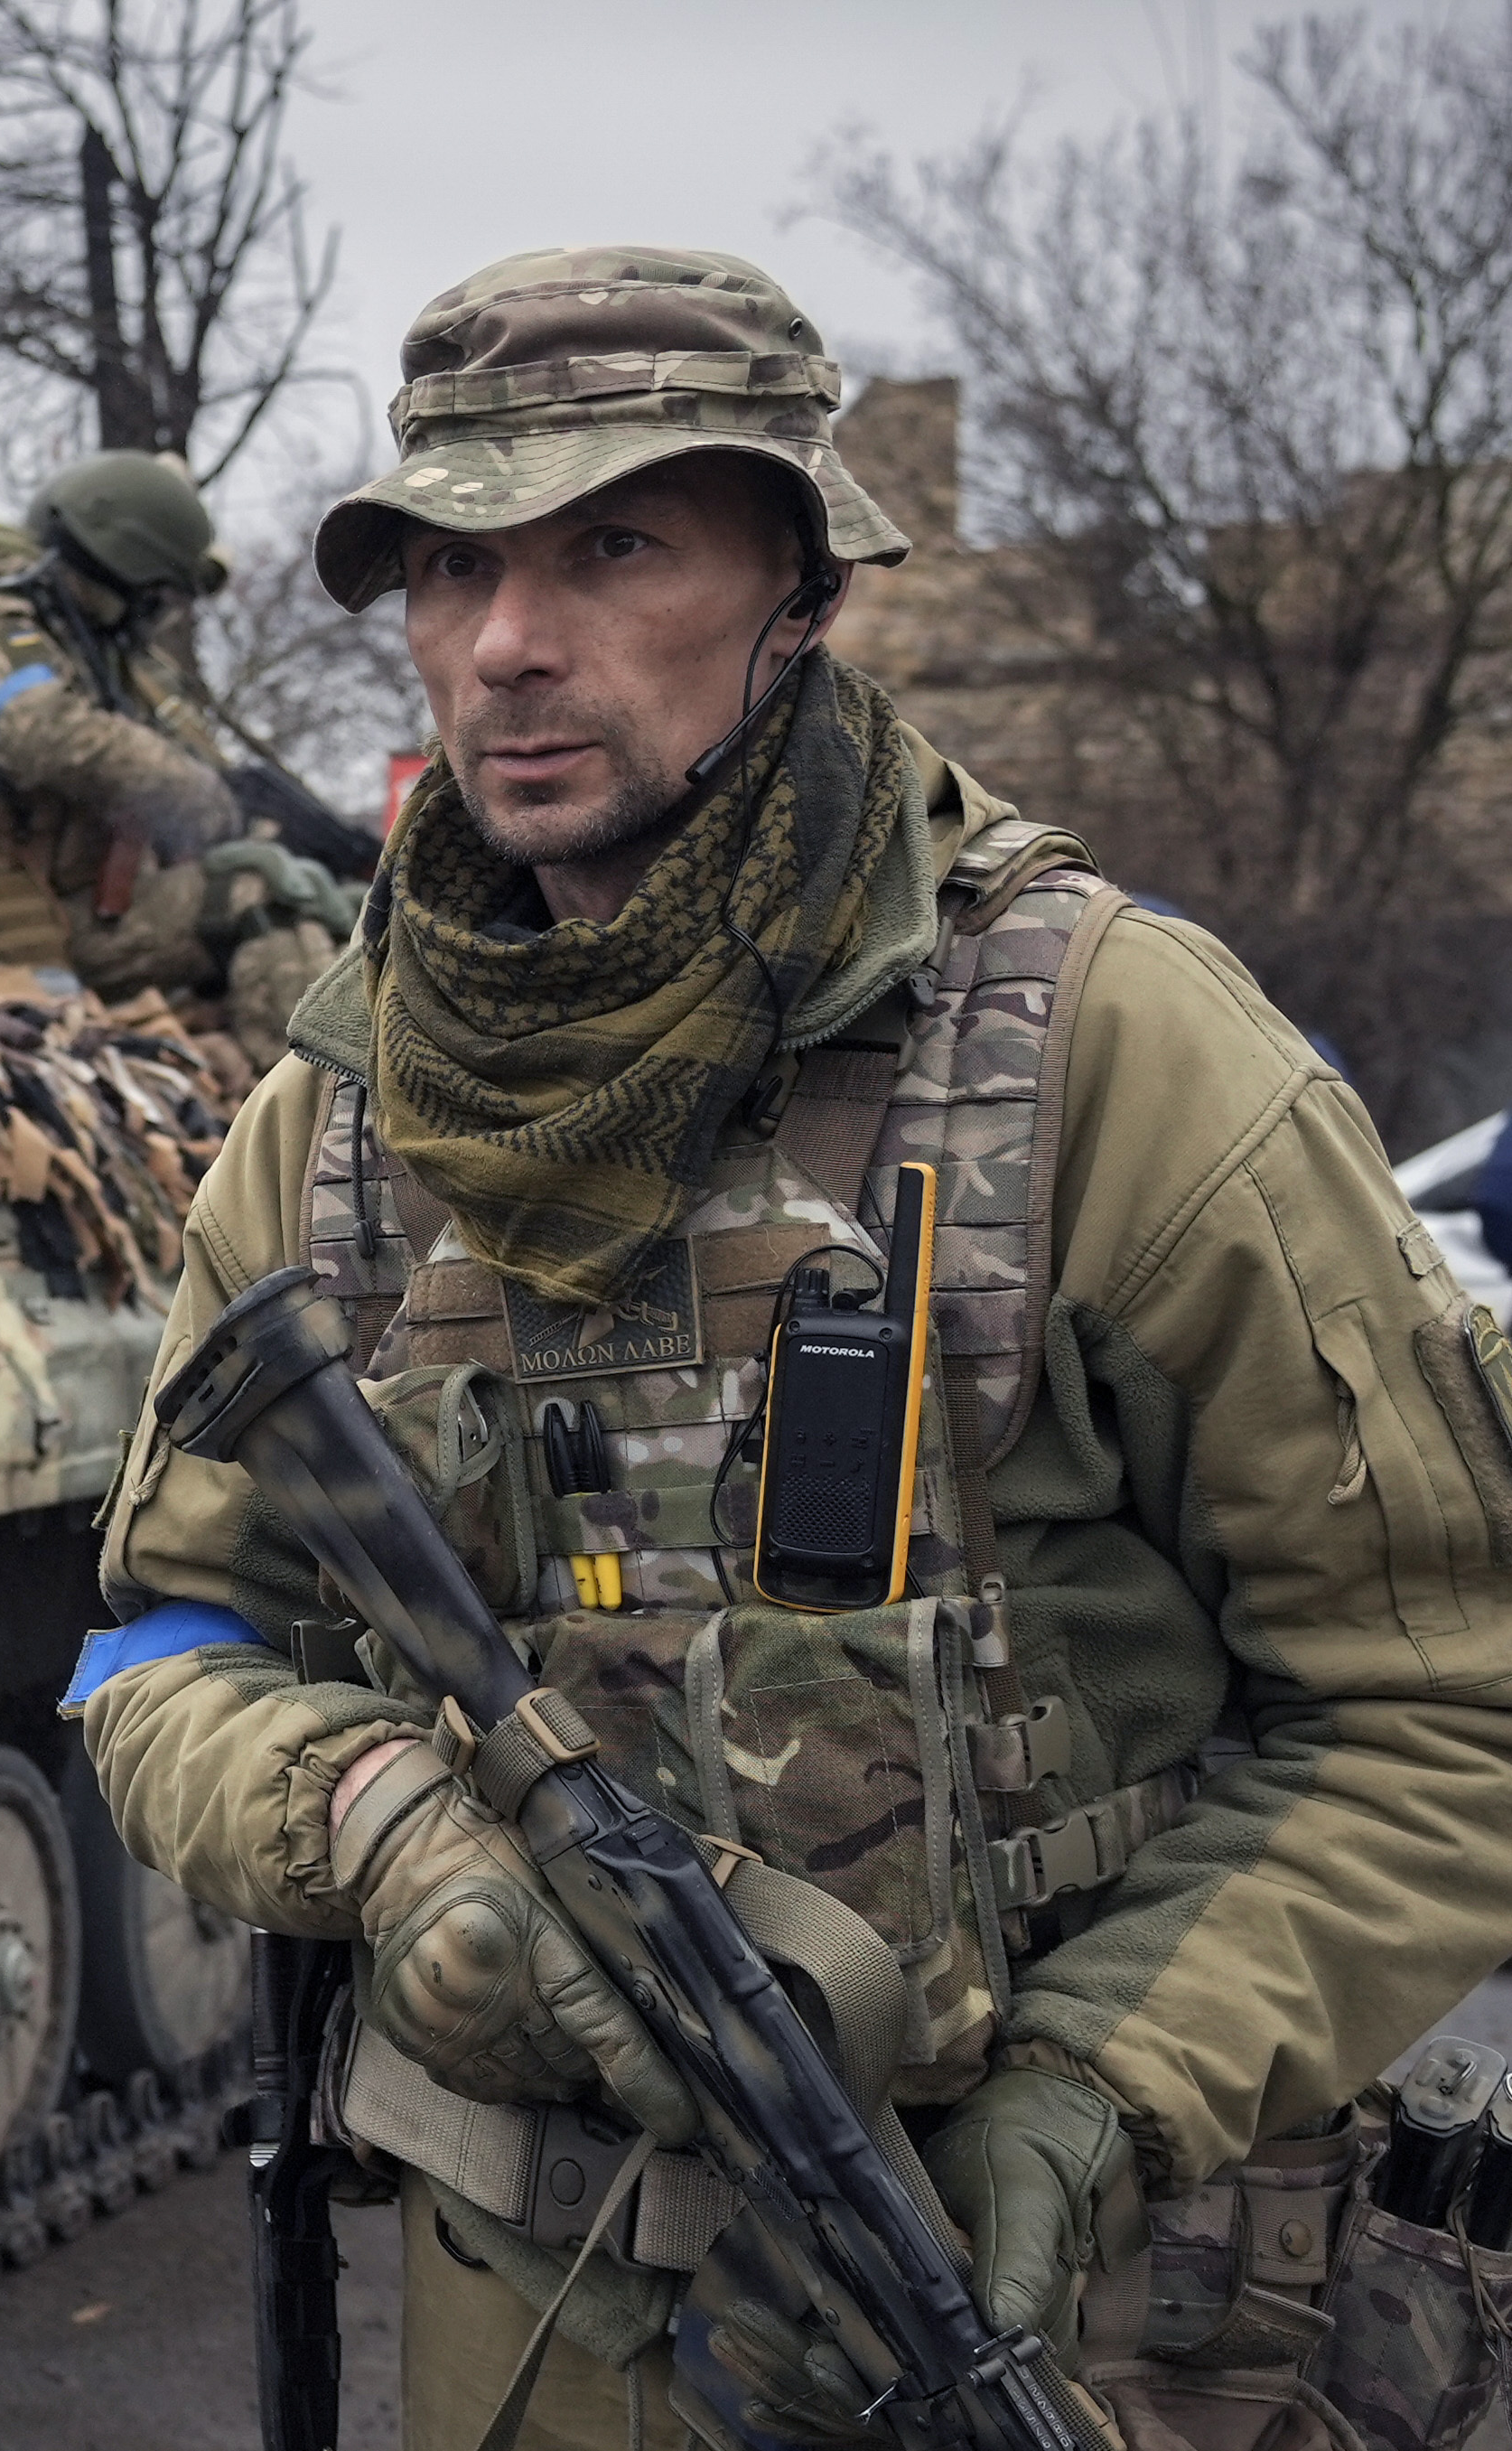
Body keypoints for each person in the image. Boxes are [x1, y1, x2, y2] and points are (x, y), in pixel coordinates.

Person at [73, 246, 1512, 2451]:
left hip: (1052, 2316)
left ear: (802, 581)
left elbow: (1442, 1709)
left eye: (612, 544)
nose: (507, 643)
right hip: (524, 2327)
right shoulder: (335, 1123)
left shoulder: (1114, 1062)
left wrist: (1091, 2092)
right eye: (449, 565)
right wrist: (383, 1831)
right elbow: (150, 1642)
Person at [0, 450, 351, 1057]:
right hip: (8, 915)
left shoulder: (94, 644)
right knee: (259, 893)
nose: (158, 612)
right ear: (124, 566)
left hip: (76, 907)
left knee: (310, 897)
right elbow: (35, 731)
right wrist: (196, 790)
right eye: (155, 593)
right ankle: (308, 1128)